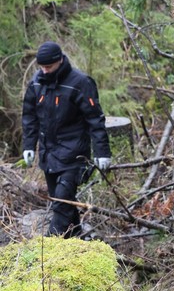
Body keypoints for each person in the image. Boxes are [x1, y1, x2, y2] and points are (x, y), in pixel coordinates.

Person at [21, 41, 112, 238]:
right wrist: (28, 145)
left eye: (49, 67)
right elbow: (29, 115)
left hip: (74, 154)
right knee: (63, 202)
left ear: (60, 60)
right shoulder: (37, 82)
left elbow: (95, 119)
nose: (45, 71)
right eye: (42, 67)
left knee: (62, 203)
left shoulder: (80, 82)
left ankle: (51, 247)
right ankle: (79, 240)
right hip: (48, 153)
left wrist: (102, 152)